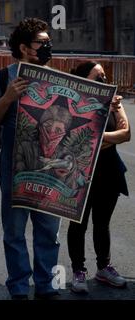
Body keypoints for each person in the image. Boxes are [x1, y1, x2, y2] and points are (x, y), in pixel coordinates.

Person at [0, 18, 61, 300]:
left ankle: (46, 284)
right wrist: (7, 98)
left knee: (49, 230)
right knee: (14, 231)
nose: (48, 45)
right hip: (13, 168)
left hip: (50, 169)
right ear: (25, 48)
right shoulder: (2, 79)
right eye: (42, 41)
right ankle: (18, 286)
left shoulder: (60, 81)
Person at [67, 61, 130, 294]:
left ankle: (104, 267)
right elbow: (71, 136)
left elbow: (126, 134)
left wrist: (97, 137)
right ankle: (78, 270)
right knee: (78, 224)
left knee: (102, 223)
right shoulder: (73, 103)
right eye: (98, 76)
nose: (104, 80)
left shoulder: (114, 102)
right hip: (81, 172)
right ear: (85, 80)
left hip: (110, 170)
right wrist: (101, 139)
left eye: (104, 75)